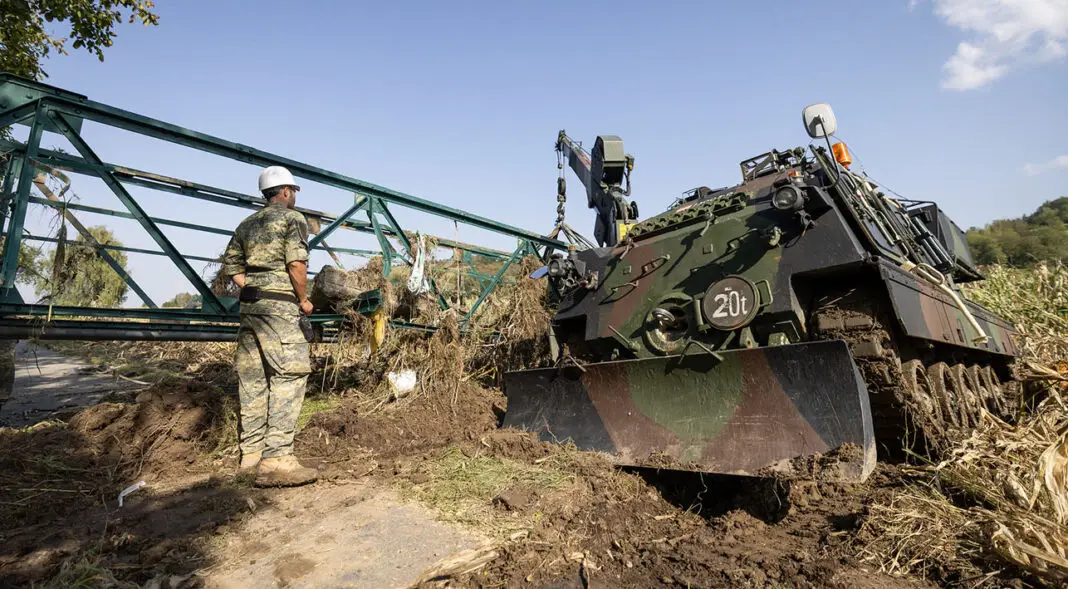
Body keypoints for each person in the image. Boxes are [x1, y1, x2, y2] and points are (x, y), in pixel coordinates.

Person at [220, 165, 317, 487]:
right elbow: (296, 264)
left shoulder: (246, 223)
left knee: (253, 378)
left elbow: (231, 265)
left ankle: (250, 456)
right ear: (287, 192)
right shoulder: (293, 219)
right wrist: (303, 299)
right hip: (280, 308)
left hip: (250, 307)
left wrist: (252, 285)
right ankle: (277, 458)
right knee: (290, 373)